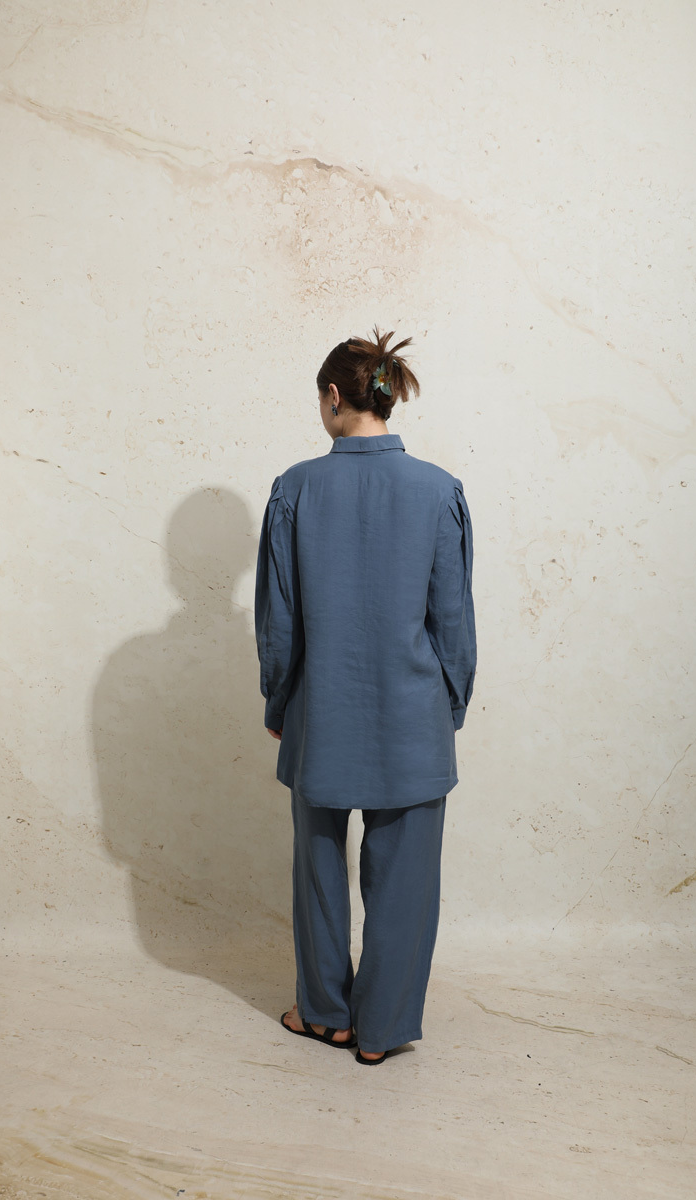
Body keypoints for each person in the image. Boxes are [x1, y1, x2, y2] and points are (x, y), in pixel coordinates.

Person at [254, 326, 476, 1065]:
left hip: (321, 713)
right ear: (384, 394)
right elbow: (453, 622)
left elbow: (280, 623)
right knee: (405, 882)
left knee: (318, 870)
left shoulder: (295, 488)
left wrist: (279, 703)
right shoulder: (440, 491)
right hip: (413, 719)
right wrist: (448, 708)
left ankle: (324, 1014)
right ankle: (381, 1030)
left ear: (332, 396)